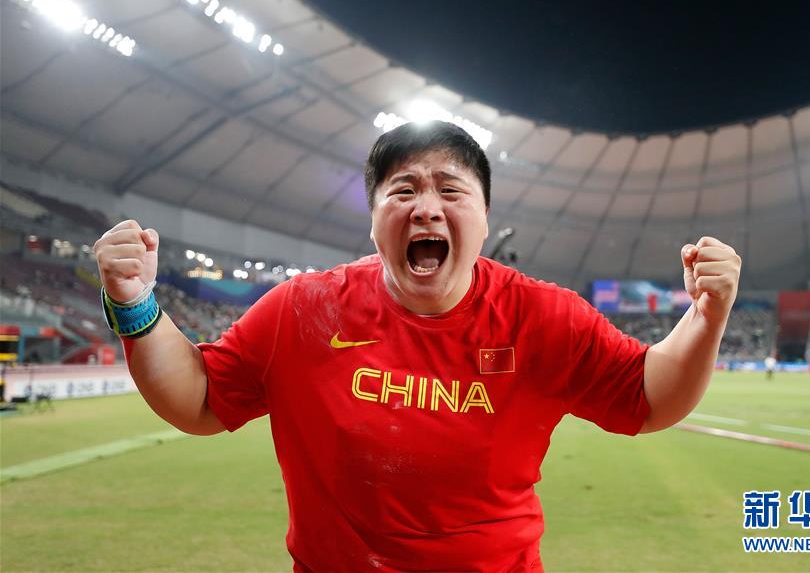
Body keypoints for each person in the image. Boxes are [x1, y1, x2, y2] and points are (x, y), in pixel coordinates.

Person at [93, 121, 742, 571]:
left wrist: (706, 316)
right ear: (375, 219)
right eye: (403, 190)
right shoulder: (304, 310)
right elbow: (200, 399)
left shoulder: (544, 317)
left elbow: (648, 397)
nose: (426, 207)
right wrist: (135, 302)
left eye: (451, 190)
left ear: (484, 219)